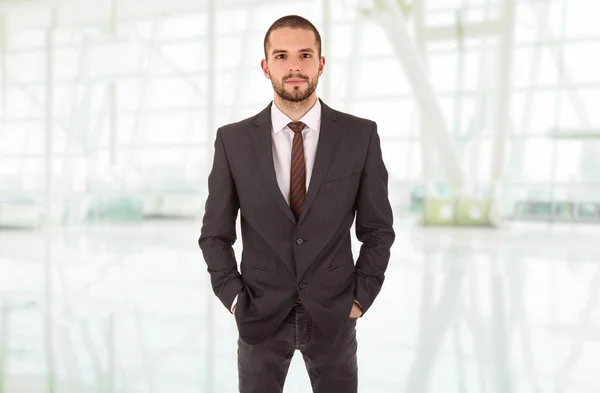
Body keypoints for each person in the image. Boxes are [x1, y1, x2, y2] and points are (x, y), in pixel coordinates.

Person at [198, 14, 395, 393]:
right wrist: (236, 299)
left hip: (335, 315)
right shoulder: (232, 141)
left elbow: (378, 230)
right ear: (265, 65)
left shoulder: (360, 136)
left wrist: (360, 298)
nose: (294, 67)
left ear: (321, 64)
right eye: (281, 55)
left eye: (305, 55)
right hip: (259, 314)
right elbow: (214, 235)